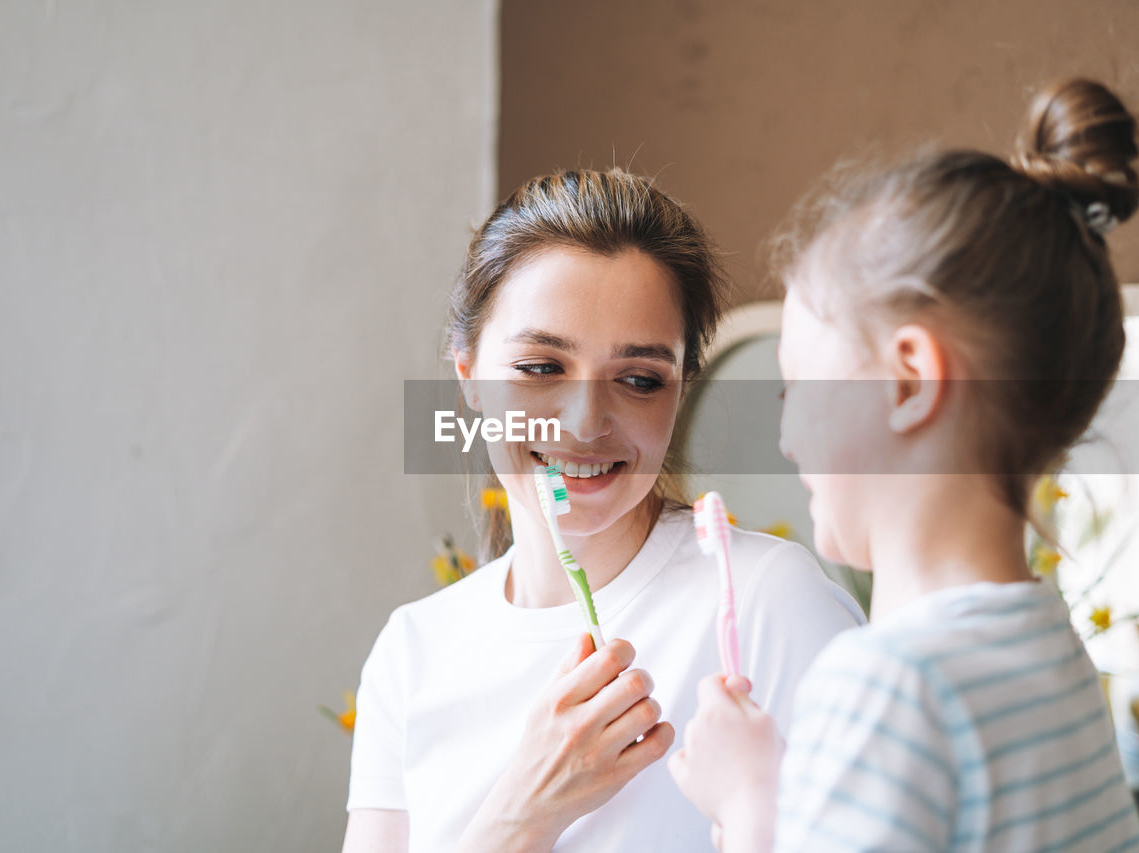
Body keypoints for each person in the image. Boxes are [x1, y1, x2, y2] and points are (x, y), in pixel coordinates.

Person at [670, 79, 1139, 852]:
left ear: (908, 381)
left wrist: (751, 806)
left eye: (798, 385)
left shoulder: (882, 685)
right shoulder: (1048, 647)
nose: (786, 435)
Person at [341, 168, 865, 852]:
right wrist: (524, 812)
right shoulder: (412, 652)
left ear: (678, 395)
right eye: (540, 367)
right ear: (468, 375)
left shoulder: (766, 601)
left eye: (639, 379)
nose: (587, 423)